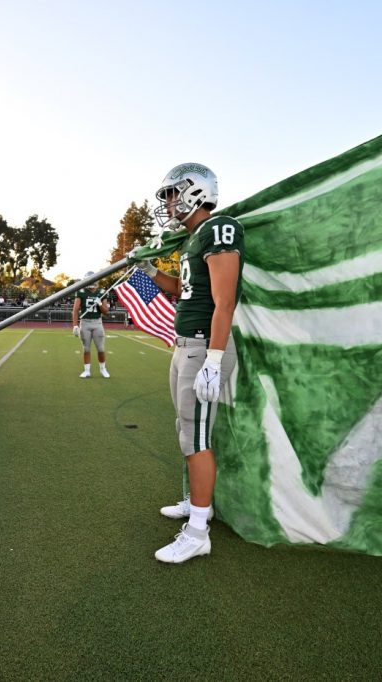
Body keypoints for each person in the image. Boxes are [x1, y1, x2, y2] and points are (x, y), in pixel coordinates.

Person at [138, 163, 243, 563]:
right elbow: (182, 291)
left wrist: (214, 359)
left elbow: (225, 301)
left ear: (194, 191)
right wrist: (148, 271)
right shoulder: (192, 238)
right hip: (185, 346)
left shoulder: (219, 229)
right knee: (186, 429)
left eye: (170, 193)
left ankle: (198, 532)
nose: (167, 203)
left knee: (196, 438)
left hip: (203, 348)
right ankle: (195, 502)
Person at [72, 271, 110, 378]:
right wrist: (75, 325)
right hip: (85, 323)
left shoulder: (102, 292)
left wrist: (100, 304)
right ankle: (87, 371)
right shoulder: (81, 291)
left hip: (97, 322)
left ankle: (103, 369)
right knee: (86, 348)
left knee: (101, 348)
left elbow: (106, 311)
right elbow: (75, 310)